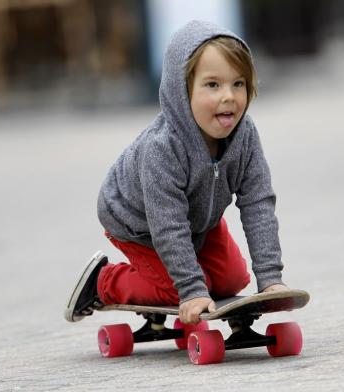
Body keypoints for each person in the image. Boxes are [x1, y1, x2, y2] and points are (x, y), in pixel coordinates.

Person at [64, 20, 288, 326]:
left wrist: (270, 278)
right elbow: (167, 225)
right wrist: (192, 291)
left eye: (239, 83)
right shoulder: (163, 147)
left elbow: (258, 203)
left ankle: (191, 279)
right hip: (139, 224)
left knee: (232, 279)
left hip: (198, 218)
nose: (229, 96)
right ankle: (104, 281)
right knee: (176, 290)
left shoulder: (245, 136)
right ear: (182, 90)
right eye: (213, 84)